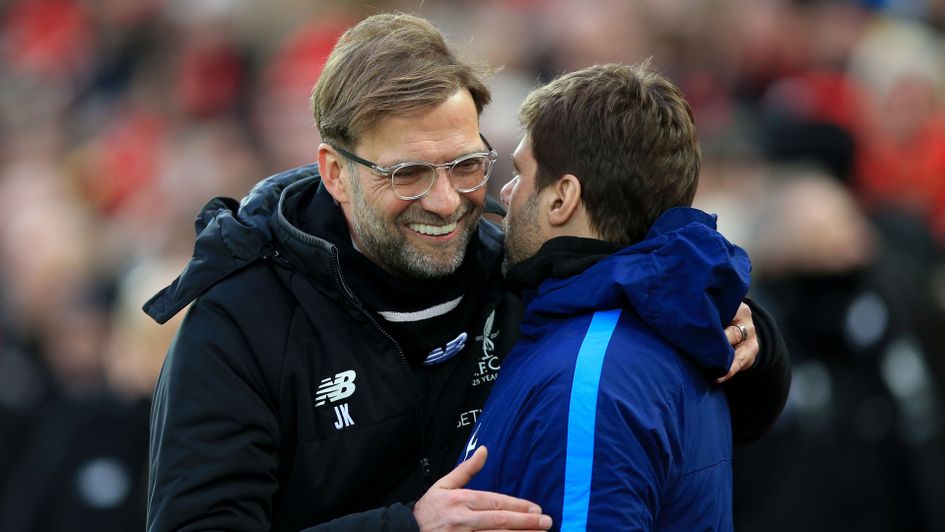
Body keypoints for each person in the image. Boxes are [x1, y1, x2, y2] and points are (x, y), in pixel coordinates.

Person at [142, 13, 789, 532]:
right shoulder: (241, 317)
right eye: (408, 174)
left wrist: (747, 340)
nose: (447, 201)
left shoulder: (512, 267)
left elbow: (640, 278)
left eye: (466, 164)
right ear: (335, 172)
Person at [461, 62, 759, 530]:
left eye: (520, 172)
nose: (507, 192)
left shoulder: (589, 377)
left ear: (562, 199)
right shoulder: (664, 325)